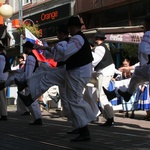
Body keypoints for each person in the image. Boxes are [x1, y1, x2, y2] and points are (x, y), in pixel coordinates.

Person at [17, 16, 96, 142]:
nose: (68, 30)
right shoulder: (76, 39)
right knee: (49, 77)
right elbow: (61, 54)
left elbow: (64, 54)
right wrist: (47, 48)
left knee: (73, 100)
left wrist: (51, 47)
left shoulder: (77, 39)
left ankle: (86, 127)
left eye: (69, 28)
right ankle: (30, 96)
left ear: (73, 27)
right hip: (74, 71)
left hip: (78, 72)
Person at [103, 13, 150, 110]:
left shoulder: (148, 34)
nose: (143, 26)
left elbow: (145, 50)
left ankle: (125, 94)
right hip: (145, 67)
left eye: (144, 23)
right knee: (136, 76)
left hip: (148, 67)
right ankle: (125, 94)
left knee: (136, 76)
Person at [91, 31, 115, 126]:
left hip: (104, 72)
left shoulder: (100, 48)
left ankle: (110, 118)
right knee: (101, 94)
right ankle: (109, 118)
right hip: (104, 72)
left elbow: (94, 61)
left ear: (96, 39)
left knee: (102, 95)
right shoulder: (103, 47)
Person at [0, 44, 10, 120]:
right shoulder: (2, 56)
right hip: (3, 78)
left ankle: (4, 114)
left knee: (1, 97)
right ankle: (3, 113)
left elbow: (1, 68)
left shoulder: (1, 56)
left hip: (1, 79)